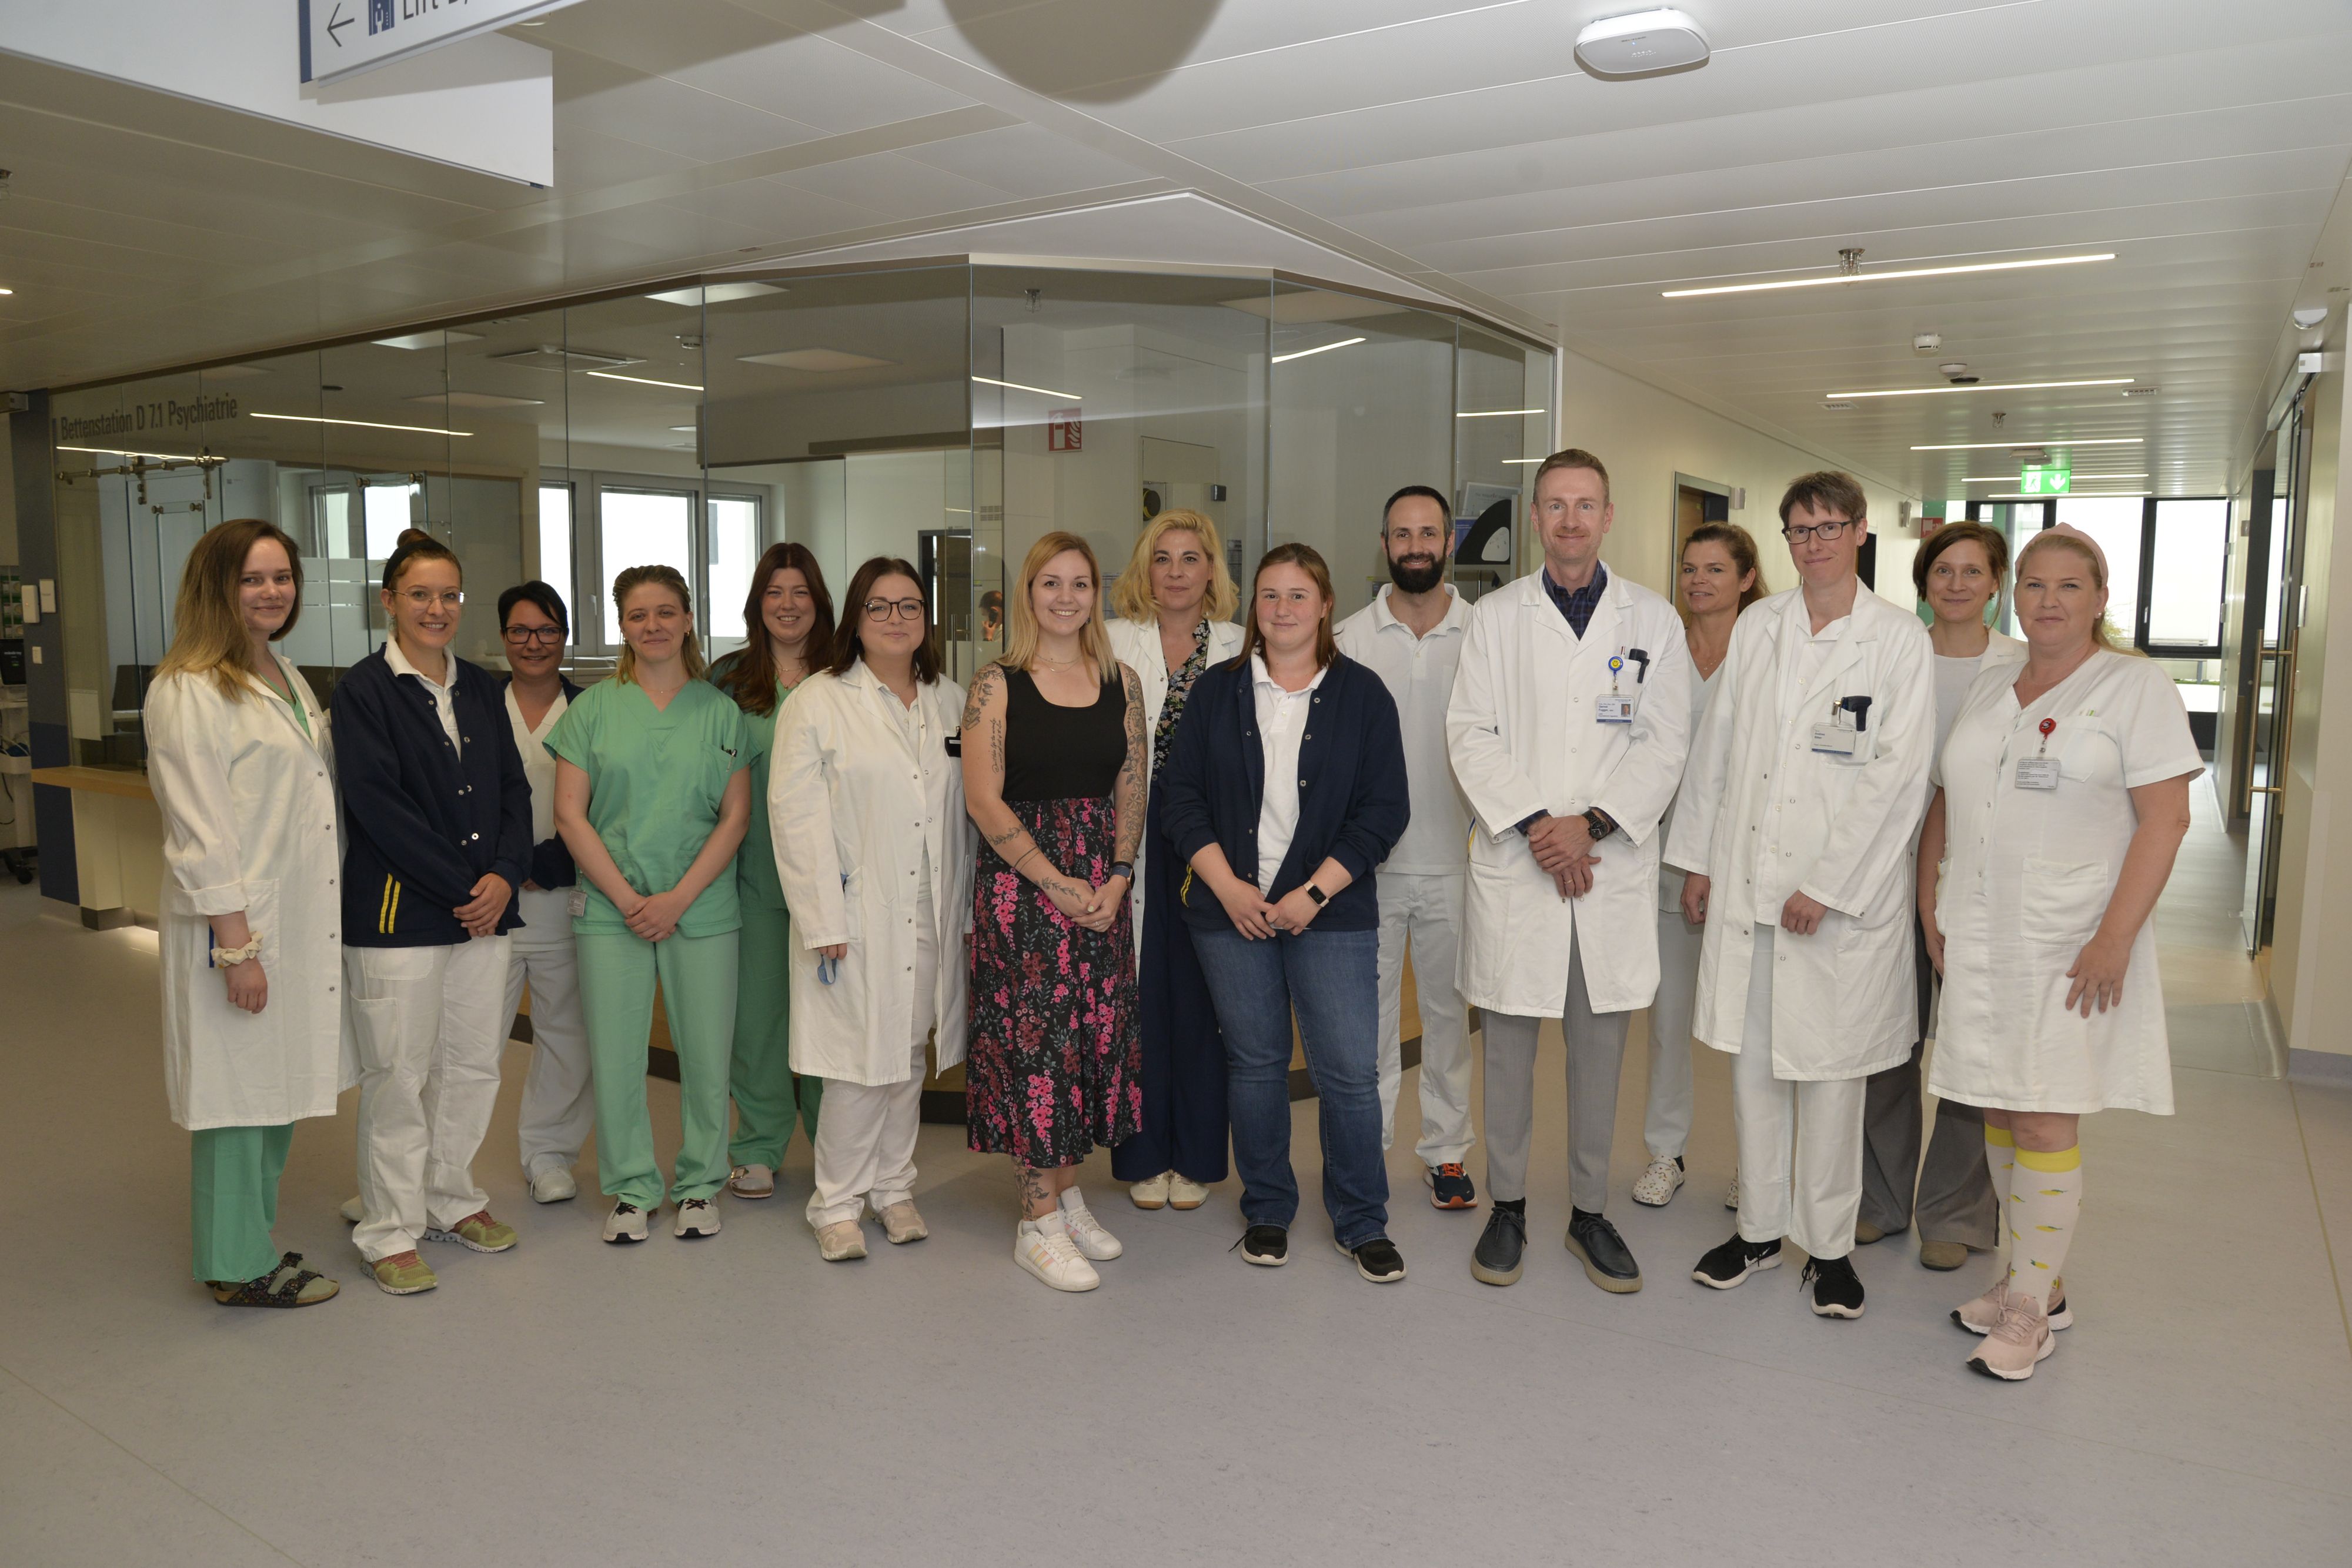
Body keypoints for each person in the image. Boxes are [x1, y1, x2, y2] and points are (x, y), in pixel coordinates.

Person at [1925, 524, 2197, 1379]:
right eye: (2035, 585)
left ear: (2101, 598)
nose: (2048, 600)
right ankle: (2030, 1276)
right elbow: (1949, 797)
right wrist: (1933, 904)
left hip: (2068, 939)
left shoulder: (2134, 686)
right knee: (2001, 1105)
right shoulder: (1994, 684)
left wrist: (2115, 936)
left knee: (2044, 1110)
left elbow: (2167, 819)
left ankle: (2028, 1312)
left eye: (2069, 586)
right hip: (1978, 930)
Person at [1668, 472, 1934, 1320]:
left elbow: (1899, 777)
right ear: (1785, 540)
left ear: (1860, 532)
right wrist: (1702, 859)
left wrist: (1827, 883)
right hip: (1749, 884)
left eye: (1830, 526)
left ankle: (1829, 1248)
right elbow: (1719, 747)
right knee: (1754, 1071)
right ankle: (1756, 1229)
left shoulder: (1896, 640)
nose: (1815, 541)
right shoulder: (1760, 626)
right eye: (1800, 529)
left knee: (1829, 1078)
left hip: (1837, 904)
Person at [1448, 449, 1692, 1294]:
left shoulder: (1652, 620)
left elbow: (1666, 742)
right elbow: (1470, 732)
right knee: (1509, 1049)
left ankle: (1589, 1210)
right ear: (1537, 516)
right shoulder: (1496, 617)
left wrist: (1586, 826)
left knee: (1598, 1051)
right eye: (1555, 505)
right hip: (1524, 863)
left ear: (1609, 515)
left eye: (1586, 505)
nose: (1570, 521)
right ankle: (1508, 1204)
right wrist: (1537, 827)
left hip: (1606, 861)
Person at [1161, 543, 1410, 1283]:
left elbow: (1382, 812)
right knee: (1258, 1066)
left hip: (1329, 914)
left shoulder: (1363, 695)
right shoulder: (1216, 693)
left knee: (1348, 1075)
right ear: (1253, 609)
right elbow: (1181, 801)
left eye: (1299, 595)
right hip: (1228, 911)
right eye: (1269, 596)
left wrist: (1313, 893)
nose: (1283, 609)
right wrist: (1231, 889)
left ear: (1326, 604)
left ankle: (1362, 1219)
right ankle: (1267, 1208)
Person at [145, 519, 345, 1308]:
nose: (272, 591)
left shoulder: (283, 673)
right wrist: (237, 945)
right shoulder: (188, 686)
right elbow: (199, 830)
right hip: (240, 926)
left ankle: (251, 1242)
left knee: (275, 1090)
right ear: (217, 588)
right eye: (253, 578)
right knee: (236, 1100)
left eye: (282, 576)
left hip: (288, 921)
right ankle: (233, 1264)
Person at [332, 529, 533, 1295]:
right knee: (399, 1074)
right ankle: (388, 1226)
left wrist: (506, 876)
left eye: (449, 594)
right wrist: (469, 886)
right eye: (420, 593)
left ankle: (450, 1196)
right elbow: (380, 808)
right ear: (389, 601)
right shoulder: (365, 691)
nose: (437, 608)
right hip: (400, 919)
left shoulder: (481, 686)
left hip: (485, 914)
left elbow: (514, 788)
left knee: (472, 1065)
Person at [772, 558, 971, 1262]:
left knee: (907, 1057)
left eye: (909, 606)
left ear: (927, 618)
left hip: (932, 908)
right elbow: (794, 820)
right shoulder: (818, 701)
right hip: (855, 914)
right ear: (855, 619)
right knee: (857, 1066)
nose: (896, 619)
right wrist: (823, 918)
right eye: (880, 607)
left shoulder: (950, 699)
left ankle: (893, 1187)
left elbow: (968, 814)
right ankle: (837, 1203)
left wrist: (970, 917)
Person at [963, 531, 1145, 1292]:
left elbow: (1131, 781)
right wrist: (1055, 881)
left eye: (1080, 583)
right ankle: (1036, 1222)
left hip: (1103, 888)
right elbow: (983, 796)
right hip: (1023, 894)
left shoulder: (1121, 678)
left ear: (1094, 593)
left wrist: (1120, 874)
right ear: (1028, 593)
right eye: (1050, 583)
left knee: (1084, 1047)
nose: (1066, 597)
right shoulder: (997, 683)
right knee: (1035, 1052)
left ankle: (1066, 1192)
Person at [549, 565, 750, 1244]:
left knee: (705, 1055)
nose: (654, 626)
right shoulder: (593, 711)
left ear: (689, 619)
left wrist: (678, 899)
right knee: (616, 1054)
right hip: (613, 909)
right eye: (639, 615)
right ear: (622, 626)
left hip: (702, 907)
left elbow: (734, 818)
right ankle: (632, 1188)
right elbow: (570, 817)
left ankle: (700, 1185)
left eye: (667, 612)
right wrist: (634, 899)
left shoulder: (721, 712)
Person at [1855, 523, 2025, 1268]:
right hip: (1882, 870)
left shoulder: (2022, 665)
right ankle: (1877, 1196)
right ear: (1923, 581)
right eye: (1942, 571)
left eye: (1973, 572)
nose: (1956, 584)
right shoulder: (1893, 654)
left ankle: (1956, 1210)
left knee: (1966, 1047)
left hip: (1985, 879)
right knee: (1885, 1041)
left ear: (1995, 584)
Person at [1334, 485, 1479, 1210]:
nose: (1415, 544)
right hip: (1368, 870)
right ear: (1384, 544)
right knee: (1369, 1023)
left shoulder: (1485, 633)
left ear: (1449, 540)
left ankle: (1447, 1153)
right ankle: (1367, 1151)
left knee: (1451, 1020)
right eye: (1401, 533)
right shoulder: (1349, 639)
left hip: (1461, 862)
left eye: (1429, 532)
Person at [1104, 509, 1245, 1212]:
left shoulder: (1241, 646)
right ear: (1144, 570)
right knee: (1138, 1002)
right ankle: (1141, 1154)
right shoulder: (1109, 642)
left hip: (1210, 847)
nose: (1178, 572)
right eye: (1163, 558)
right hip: (1128, 844)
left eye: (1192, 558)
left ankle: (1192, 1156)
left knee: (1200, 1002)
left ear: (1212, 571)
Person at [1632, 523, 1764, 1212]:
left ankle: (1756, 1165)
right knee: (1667, 1020)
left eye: (1716, 569)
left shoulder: (1767, 648)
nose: (1699, 581)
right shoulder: (1659, 648)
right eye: (1689, 569)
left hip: (1742, 867)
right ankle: (1665, 1152)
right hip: (1665, 864)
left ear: (1746, 578)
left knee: (1749, 1027)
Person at [708, 543, 833, 1202]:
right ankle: (756, 1146)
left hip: (831, 881)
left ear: (820, 602)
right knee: (757, 1021)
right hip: (753, 881)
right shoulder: (728, 681)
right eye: (774, 593)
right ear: (758, 603)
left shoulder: (847, 674)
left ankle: (835, 1148)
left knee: (828, 1016)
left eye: (800, 593)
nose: (787, 606)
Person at [497, 582, 592, 1205]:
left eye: (547, 631)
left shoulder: (591, 708)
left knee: (565, 1034)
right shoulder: (474, 704)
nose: (534, 644)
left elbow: (609, 799)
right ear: (503, 636)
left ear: (565, 636)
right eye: (520, 631)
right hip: (488, 903)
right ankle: (419, 1172)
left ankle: (549, 1153)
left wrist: (551, 860)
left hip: (564, 897)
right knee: (469, 1041)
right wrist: (507, 864)